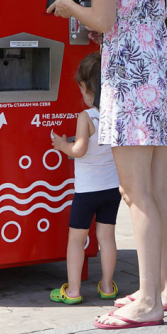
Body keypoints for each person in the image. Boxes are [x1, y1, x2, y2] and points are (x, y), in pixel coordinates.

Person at [48, 0, 167, 330]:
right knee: (158, 187)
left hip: (130, 79)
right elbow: (141, 14)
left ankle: (146, 304)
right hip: (162, 71)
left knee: (134, 192)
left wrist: (69, 6)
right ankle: (162, 289)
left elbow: (104, 19)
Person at [48, 53, 122, 305]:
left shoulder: (86, 117)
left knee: (76, 240)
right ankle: (107, 286)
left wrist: (61, 145)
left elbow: (79, 150)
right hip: (112, 189)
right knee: (106, 238)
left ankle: (73, 291)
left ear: (84, 86)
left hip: (87, 192)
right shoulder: (116, 113)